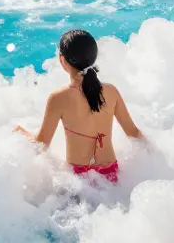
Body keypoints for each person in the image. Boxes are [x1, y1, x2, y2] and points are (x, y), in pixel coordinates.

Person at [15, 30, 142, 184]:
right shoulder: (111, 91)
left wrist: (21, 133)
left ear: (62, 59)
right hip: (111, 175)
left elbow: (42, 145)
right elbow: (134, 133)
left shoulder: (58, 98)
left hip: (79, 180)